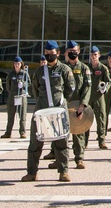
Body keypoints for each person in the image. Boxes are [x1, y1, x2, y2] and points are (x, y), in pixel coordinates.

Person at [21, 41, 77, 182]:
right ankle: (32, 172)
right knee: (35, 142)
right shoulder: (40, 71)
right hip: (41, 110)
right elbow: (35, 89)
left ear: (58, 54)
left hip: (59, 111)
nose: (49, 56)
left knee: (61, 141)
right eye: (46, 54)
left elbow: (70, 89)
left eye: (51, 54)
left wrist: (61, 101)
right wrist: (43, 102)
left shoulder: (64, 70)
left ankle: (63, 171)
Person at [61, 40, 92, 169]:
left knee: (79, 132)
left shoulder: (84, 68)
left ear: (78, 51)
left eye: (75, 51)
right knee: (61, 135)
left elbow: (87, 87)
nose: (73, 53)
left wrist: (82, 105)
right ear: (66, 53)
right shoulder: (62, 68)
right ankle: (60, 160)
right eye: (70, 51)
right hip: (64, 105)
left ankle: (79, 159)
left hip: (78, 105)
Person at [86, 46, 111, 149]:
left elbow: (108, 82)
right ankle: (84, 142)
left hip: (99, 97)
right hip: (88, 97)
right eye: (92, 55)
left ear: (99, 55)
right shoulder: (86, 68)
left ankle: (101, 140)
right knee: (86, 119)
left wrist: (104, 89)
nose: (94, 57)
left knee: (101, 118)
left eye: (95, 54)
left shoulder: (103, 68)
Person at [2, 56, 30, 140]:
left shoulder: (24, 73)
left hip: (21, 95)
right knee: (10, 115)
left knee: (22, 115)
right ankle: (8, 132)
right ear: (13, 65)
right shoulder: (11, 74)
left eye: (18, 64)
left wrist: (23, 85)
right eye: (15, 64)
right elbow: (8, 86)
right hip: (13, 96)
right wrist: (12, 93)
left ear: (21, 64)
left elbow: (29, 83)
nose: (17, 65)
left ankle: (22, 132)